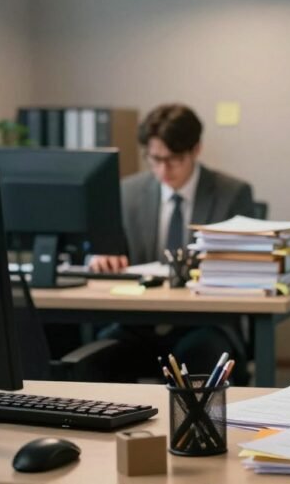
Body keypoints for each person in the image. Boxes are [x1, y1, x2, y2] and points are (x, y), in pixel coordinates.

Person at [90, 103, 255, 383]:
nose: (163, 170)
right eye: (155, 159)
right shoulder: (128, 193)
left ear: (196, 150)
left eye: (173, 159)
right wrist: (101, 258)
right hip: (140, 322)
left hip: (204, 323)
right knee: (98, 356)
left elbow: (245, 268)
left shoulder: (232, 194)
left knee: (200, 355)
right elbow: (113, 252)